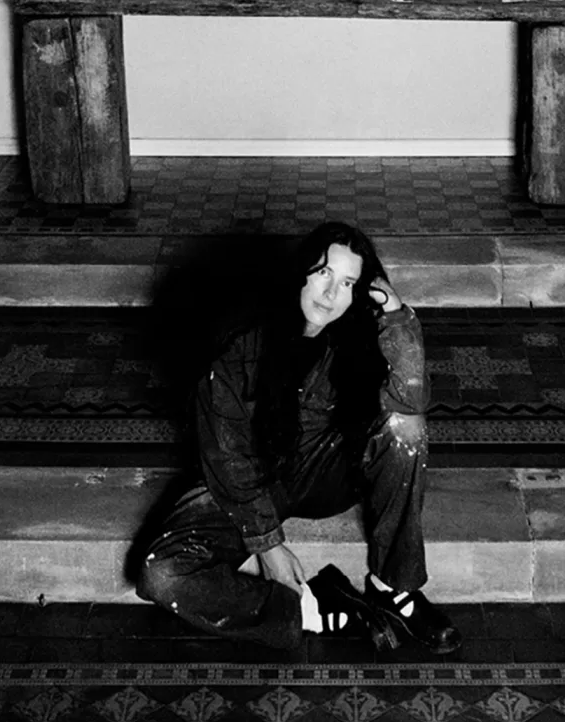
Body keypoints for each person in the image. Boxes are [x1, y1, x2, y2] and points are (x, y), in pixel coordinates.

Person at [137, 221, 461, 655]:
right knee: (161, 573)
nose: (331, 294)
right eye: (324, 273)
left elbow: (410, 398)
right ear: (301, 272)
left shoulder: (356, 337)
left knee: (405, 427)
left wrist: (395, 312)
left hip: (322, 472)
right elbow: (227, 452)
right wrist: (267, 544)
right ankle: (312, 608)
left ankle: (392, 589)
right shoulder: (240, 336)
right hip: (243, 482)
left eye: (347, 283)